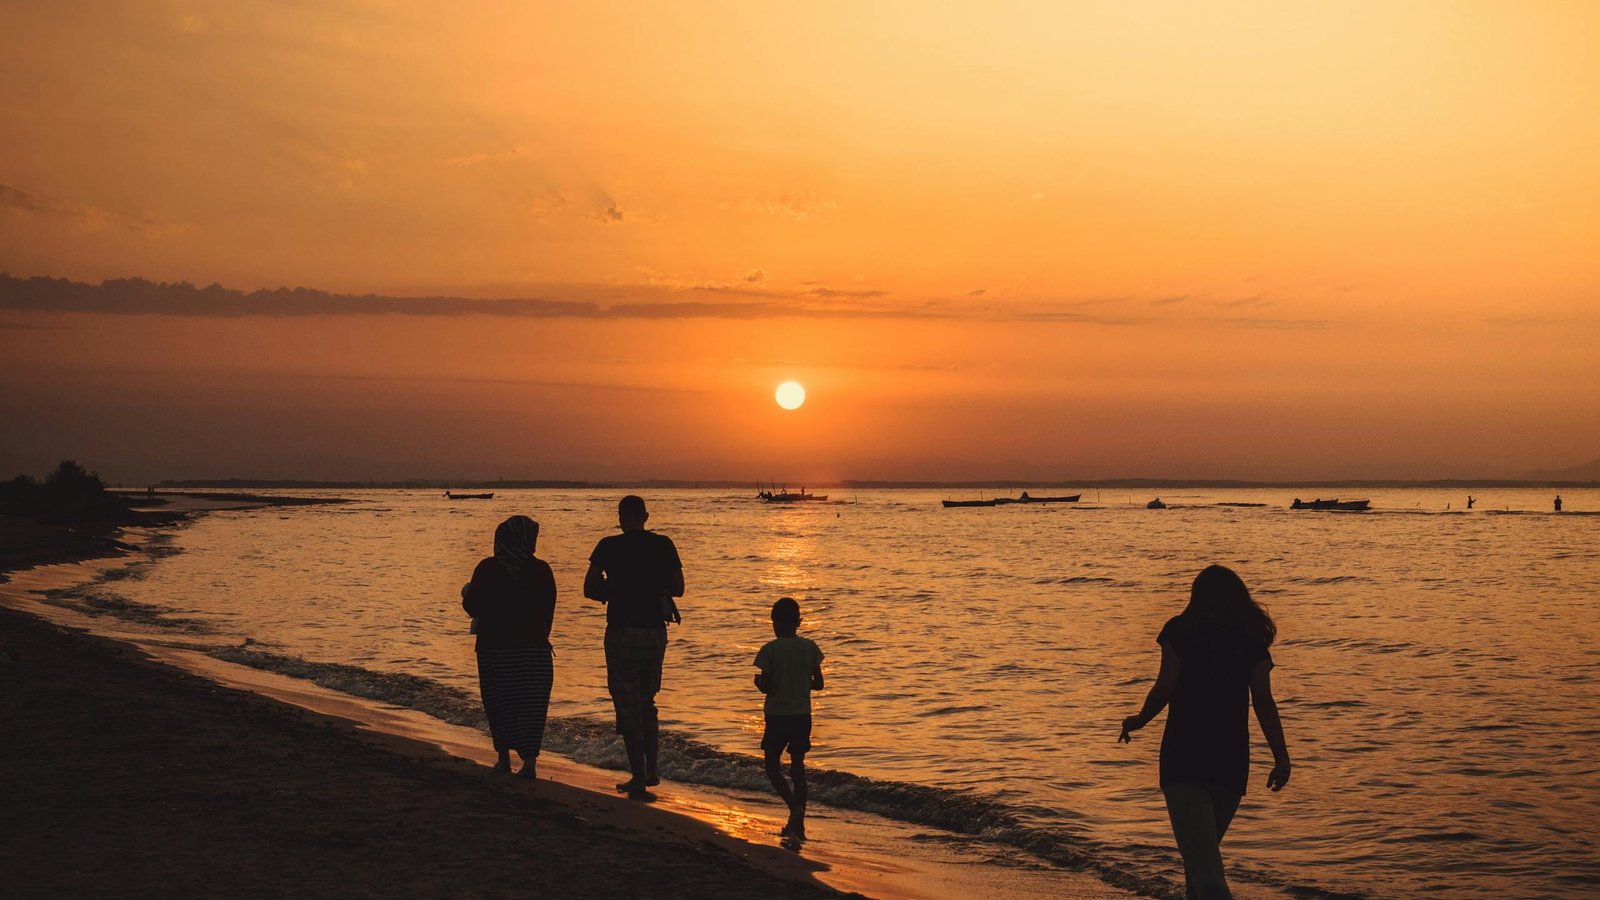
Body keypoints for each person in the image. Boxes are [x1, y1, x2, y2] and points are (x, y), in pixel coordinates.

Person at [1118, 565, 1291, 900]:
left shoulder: (1180, 631)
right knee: (1199, 864)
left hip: (1184, 759)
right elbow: (1265, 705)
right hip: (1230, 762)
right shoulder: (1251, 642)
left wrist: (1140, 719)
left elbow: (1165, 687)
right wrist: (1282, 759)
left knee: (1206, 873)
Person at [584, 495, 683, 800]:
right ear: (646, 516)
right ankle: (652, 769)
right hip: (654, 633)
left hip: (622, 632)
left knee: (627, 703)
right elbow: (679, 587)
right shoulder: (663, 544)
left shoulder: (608, 546)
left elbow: (589, 588)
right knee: (647, 700)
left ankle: (638, 778)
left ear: (620, 517)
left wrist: (612, 590)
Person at [462, 515, 557, 779]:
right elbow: (549, 610)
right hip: (533, 650)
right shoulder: (541, 570)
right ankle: (529, 763)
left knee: (499, 702)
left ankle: (503, 758)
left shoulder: (488, 568)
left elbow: (472, 606)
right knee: (531, 706)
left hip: (495, 648)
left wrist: (466, 594)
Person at [754, 597, 825, 843]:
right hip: (802, 716)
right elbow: (819, 684)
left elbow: (767, 687)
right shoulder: (810, 648)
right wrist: (801, 682)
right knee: (798, 768)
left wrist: (759, 684)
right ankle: (799, 826)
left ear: (774, 622)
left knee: (772, 766)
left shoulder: (770, 650)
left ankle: (794, 808)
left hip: (776, 716)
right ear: (799, 622)